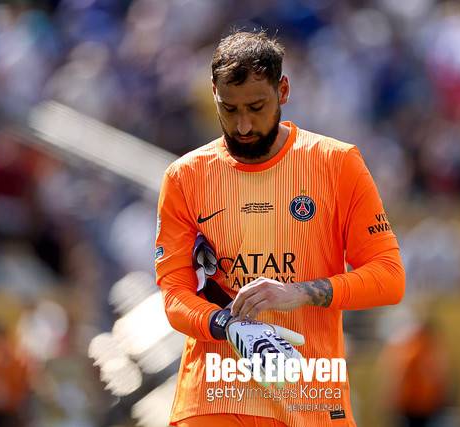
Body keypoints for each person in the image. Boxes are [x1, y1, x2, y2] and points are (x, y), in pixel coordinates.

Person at [155, 30, 405, 427]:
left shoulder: (336, 163)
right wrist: (228, 325)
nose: (243, 125)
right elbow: (175, 295)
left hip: (311, 399)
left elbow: (389, 278)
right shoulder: (186, 177)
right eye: (229, 109)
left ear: (283, 90)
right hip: (216, 399)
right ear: (214, 95)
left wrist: (299, 292)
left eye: (256, 107)